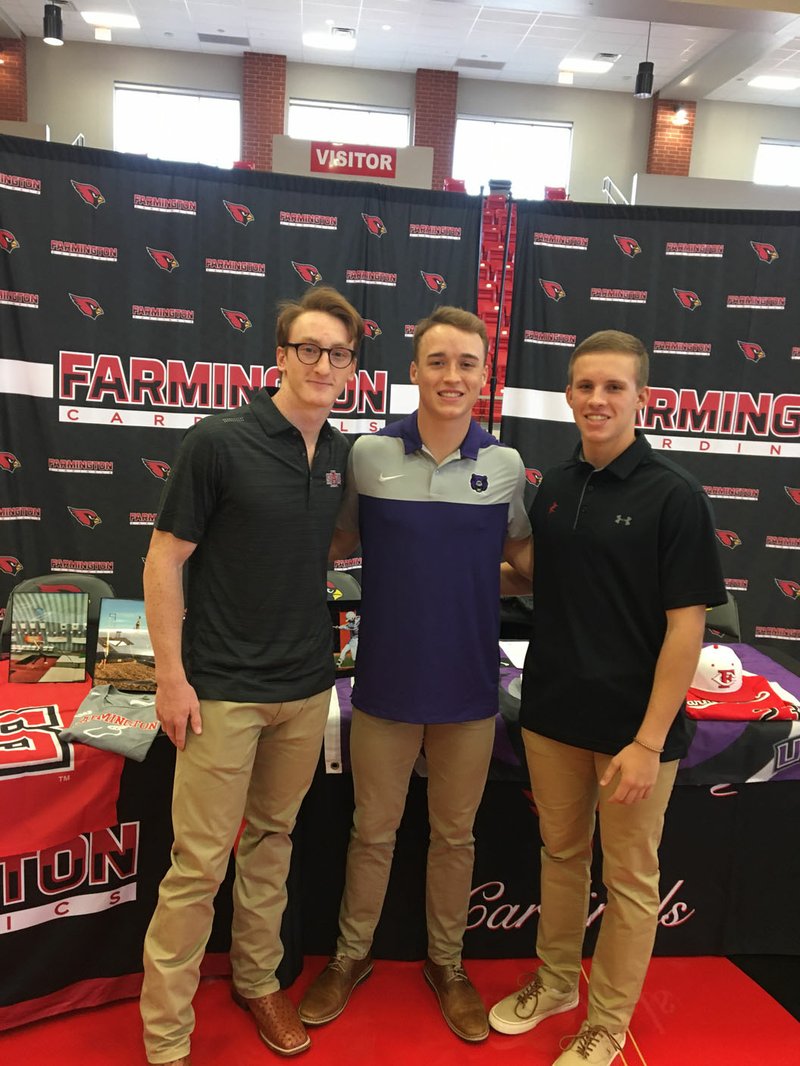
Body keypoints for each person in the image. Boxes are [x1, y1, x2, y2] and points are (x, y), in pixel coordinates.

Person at [139, 286, 364, 1065]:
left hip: (306, 691)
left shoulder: (340, 455)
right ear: (279, 355)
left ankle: (258, 979)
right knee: (197, 866)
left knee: (272, 845)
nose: (323, 363)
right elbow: (164, 558)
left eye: (339, 353)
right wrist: (172, 677)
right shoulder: (219, 442)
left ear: (351, 369)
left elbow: (327, 546)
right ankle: (166, 1037)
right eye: (308, 347)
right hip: (222, 694)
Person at [490, 330, 726, 1065]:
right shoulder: (554, 487)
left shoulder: (676, 496)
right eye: (585, 386)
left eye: (613, 387)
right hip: (553, 714)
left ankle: (607, 1020)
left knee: (629, 880)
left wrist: (650, 739)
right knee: (561, 856)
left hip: (633, 731)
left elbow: (686, 630)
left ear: (642, 399)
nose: (597, 400)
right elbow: (532, 577)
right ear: (568, 394)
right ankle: (558, 983)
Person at [299, 306, 532, 1042]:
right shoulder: (369, 456)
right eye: (438, 361)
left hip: (468, 687)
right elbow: (328, 544)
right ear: (414, 371)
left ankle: (448, 964)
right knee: (373, 832)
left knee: (455, 837)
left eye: (467, 363)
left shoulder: (503, 466)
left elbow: (525, 567)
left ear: (484, 375)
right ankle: (349, 956)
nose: (452, 376)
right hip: (387, 684)